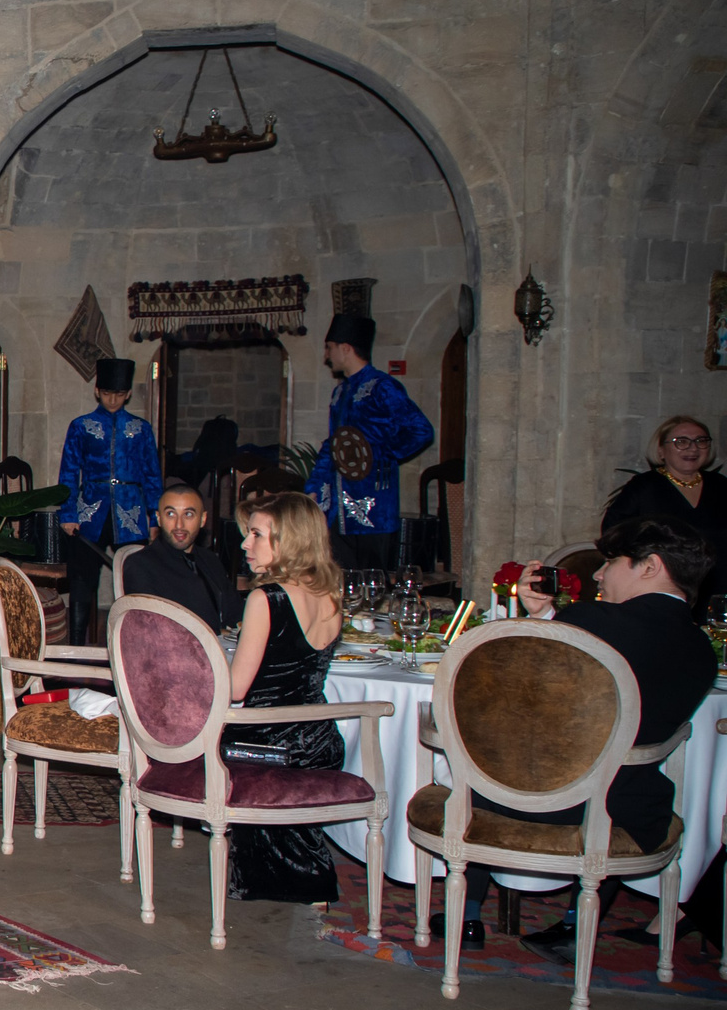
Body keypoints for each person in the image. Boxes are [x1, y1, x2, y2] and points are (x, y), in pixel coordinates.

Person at [461, 517, 720, 957]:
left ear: (650, 566)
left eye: (611, 562)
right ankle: (576, 924)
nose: (599, 575)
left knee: (472, 759)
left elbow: (510, 693)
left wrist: (540, 616)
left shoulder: (592, 620)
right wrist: (548, 616)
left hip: (535, 800)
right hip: (628, 810)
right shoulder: (702, 651)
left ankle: (464, 914)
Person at [219, 491, 346, 902]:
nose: (245, 543)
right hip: (321, 741)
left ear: (288, 540)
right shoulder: (330, 595)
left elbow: (237, 689)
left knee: (190, 736)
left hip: (268, 742)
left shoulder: (265, 598)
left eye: (256, 534)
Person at [303, 312, 433, 570]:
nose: (327, 355)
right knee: (336, 581)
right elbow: (334, 445)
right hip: (337, 511)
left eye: (329, 348)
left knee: (372, 585)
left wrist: (381, 456)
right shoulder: (340, 392)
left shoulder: (383, 387)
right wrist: (314, 486)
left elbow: (421, 430)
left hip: (373, 507)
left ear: (345, 348)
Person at [57, 358, 162, 641]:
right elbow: (68, 470)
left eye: (118, 394)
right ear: (96, 391)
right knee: (82, 576)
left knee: (136, 575)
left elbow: (152, 474)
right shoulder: (81, 426)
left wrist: (154, 516)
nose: (112, 399)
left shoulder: (141, 429)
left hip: (131, 509)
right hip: (91, 509)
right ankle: (78, 641)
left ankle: (134, 639)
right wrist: (68, 513)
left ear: (127, 394)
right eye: (106, 393)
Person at [601, 415, 727, 609]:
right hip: (661, 589)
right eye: (681, 442)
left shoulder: (721, 486)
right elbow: (613, 532)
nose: (693, 448)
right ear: (661, 451)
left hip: (717, 588)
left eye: (701, 441)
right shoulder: (644, 486)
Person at [122, 482, 238, 632]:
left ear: (202, 519)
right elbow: (152, 628)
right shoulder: (140, 564)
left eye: (188, 514)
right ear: (158, 518)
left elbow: (235, 614)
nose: (179, 525)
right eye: (170, 514)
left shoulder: (210, 560)